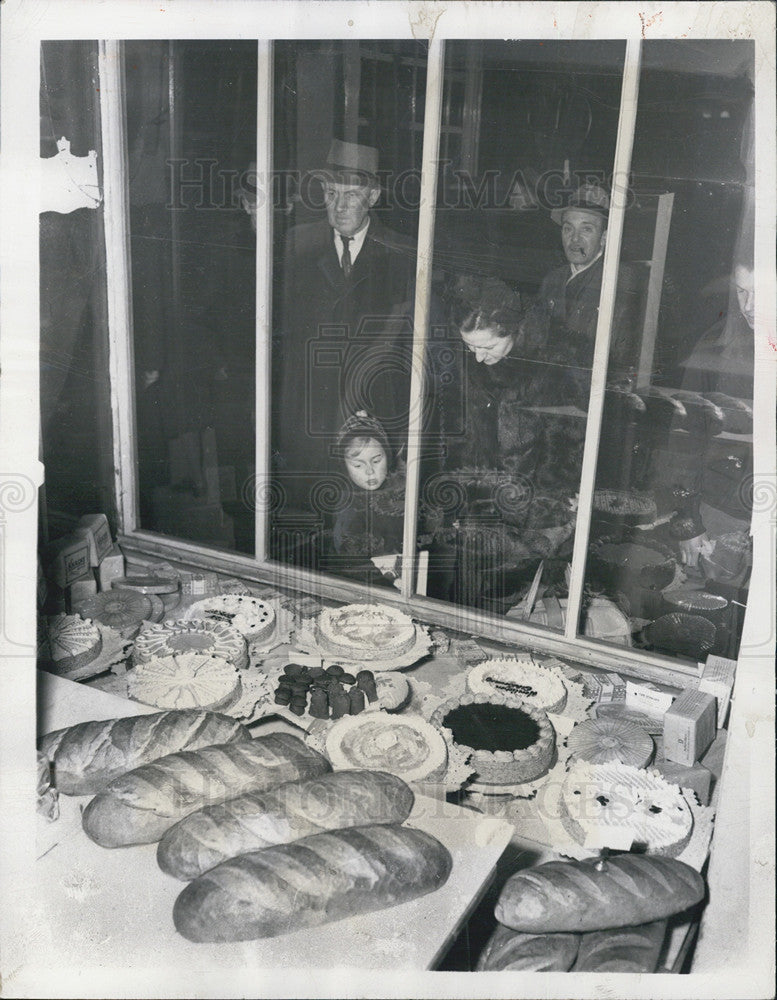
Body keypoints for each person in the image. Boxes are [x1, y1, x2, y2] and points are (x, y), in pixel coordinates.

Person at [272, 139, 417, 515]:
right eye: (332, 193)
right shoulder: (296, 243)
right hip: (310, 402)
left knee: (367, 513)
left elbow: (407, 343)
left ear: (373, 195)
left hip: (374, 402)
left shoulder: (402, 251)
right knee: (308, 503)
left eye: (352, 195)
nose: (340, 206)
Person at [323, 411, 408, 587]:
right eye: (358, 465)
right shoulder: (348, 510)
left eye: (376, 460)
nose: (369, 471)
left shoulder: (402, 490)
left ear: (388, 456)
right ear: (344, 467)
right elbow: (352, 568)